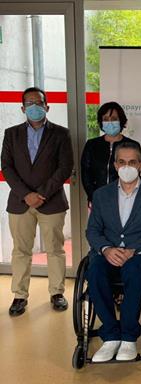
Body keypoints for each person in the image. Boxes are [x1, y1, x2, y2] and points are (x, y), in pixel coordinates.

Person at [85, 141, 141, 362]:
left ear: (140, 164)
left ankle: (129, 336)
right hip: (108, 253)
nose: (127, 167)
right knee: (94, 270)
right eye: (122, 162)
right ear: (115, 165)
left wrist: (134, 249)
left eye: (132, 162)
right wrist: (105, 249)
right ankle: (111, 335)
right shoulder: (101, 195)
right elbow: (93, 230)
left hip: (140, 256)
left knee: (133, 270)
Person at [1, 87, 74, 316]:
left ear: (47, 106)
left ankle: (57, 293)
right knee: (21, 250)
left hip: (50, 202)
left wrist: (41, 193)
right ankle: (19, 296)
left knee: (55, 249)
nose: (34, 107)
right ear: (22, 108)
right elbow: (7, 167)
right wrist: (26, 194)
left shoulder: (61, 134)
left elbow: (65, 167)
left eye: (39, 103)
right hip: (20, 203)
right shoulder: (11, 134)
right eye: (29, 103)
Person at [81, 101, 141, 205]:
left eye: (113, 119)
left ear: (121, 121)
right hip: (97, 200)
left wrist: (124, 197)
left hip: (125, 201)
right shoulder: (91, 145)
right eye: (105, 119)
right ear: (101, 122)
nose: (110, 122)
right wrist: (94, 196)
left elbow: (134, 174)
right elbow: (86, 174)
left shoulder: (132, 145)